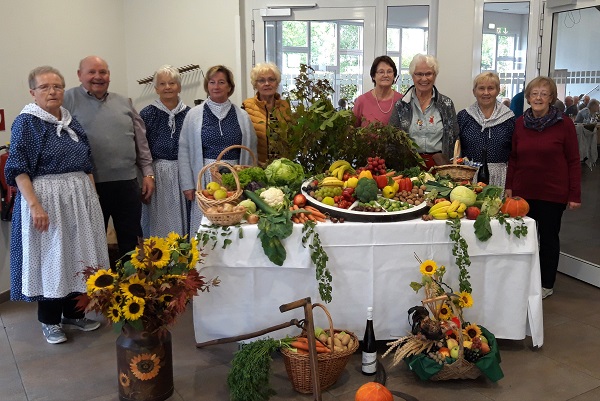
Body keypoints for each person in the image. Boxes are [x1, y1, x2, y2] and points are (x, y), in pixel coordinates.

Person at [5, 66, 109, 344]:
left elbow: (86, 163)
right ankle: (49, 321)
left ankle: (73, 314)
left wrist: (93, 199)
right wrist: (35, 206)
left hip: (79, 197)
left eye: (57, 87)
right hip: (47, 198)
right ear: (33, 92)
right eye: (45, 87)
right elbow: (18, 169)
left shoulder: (70, 121)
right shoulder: (27, 122)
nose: (52, 92)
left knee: (77, 255)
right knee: (53, 257)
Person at [63, 56, 154, 263]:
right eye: (91, 72)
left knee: (131, 241)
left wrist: (148, 173)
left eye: (103, 72)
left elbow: (141, 141)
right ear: (79, 75)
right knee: (92, 243)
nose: (98, 77)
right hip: (89, 186)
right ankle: (98, 292)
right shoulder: (66, 101)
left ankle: (133, 289)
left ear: (109, 76)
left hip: (128, 183)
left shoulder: (124, 102)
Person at [505, 76, 581, 300]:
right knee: (523, 238)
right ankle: (524, 278)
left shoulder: (564, 123)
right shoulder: (520, 123)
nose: (538, 98)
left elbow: (573, 160)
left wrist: (574, 194)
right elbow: (514, 157)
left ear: (551, 98)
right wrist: (510, 186)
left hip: (552, 193)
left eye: (544, 94)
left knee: (548, 239)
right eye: (534, 93)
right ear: (527, 97)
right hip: (523, 192)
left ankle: (546, 283)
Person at [178, 65, 257, 233]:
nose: (216, 86)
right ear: (207, 86)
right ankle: (203, 258)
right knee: (205, 224)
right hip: (205, 178)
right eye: (212, 82)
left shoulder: (242, 116)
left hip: (234, 178)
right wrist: (188, 184)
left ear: (229, 87)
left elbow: (251, 148)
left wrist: (249, 182)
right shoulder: (194, 115)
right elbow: (184, 150)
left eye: (221, 82)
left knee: (234, 220)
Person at [139, 65, 191, 237]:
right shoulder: (147, 114)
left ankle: (184, 256)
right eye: (162, 84)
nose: (167, 87)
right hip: (158, 173)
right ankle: (159, 258)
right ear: (156, 89)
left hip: (184, 171)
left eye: (172, 83)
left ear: (179, 87)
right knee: (159, 217)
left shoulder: (190, 114)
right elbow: (141, 147)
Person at [389, 54, 458, 169]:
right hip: (410, 167)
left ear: (435, 75)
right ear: (412, 76)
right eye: (419, 74)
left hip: (440, 166)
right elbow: (392, 140)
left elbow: (455, 137)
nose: (424, 78)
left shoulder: (446, 104)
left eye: (428, 74)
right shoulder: (401, 105)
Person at [457, 72, 515, 188]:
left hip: (500, 178)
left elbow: (514, 154)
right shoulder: (464, 116)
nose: (486, 93)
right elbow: (457, 149)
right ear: (474, 91)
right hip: (469, 177)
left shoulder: (509, 119)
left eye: (491, 88)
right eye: (481, 88)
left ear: (498, 90)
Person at [242, 62, 290, 165]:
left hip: (282, 167)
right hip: (256, 168)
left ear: (277, 83)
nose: (267, 83)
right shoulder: (246, 106)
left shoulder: (285, 106)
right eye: (261, 80)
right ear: (255, 84)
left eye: (271, 79)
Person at [353, 55, 403, 127]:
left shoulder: (402, 101)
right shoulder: (362, 101)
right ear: (373, 76)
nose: (386, 75)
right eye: (381, 72)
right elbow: (352, 130)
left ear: (394, 76)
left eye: (389, 72)